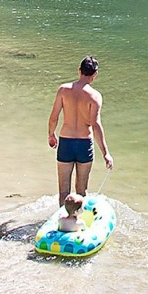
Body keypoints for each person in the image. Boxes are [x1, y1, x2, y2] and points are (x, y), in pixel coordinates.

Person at [48, 56, 114, 205]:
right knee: (81, 191)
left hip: (66, 142)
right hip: (84, 144)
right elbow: (95, 125)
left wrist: (51, 134)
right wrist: (106, 153)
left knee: (63, 192)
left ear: (79, 71)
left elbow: (54, 117)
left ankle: (63, 222)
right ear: (95, 74)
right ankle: (78, 222)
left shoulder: (63, 90)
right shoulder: (95, 96)